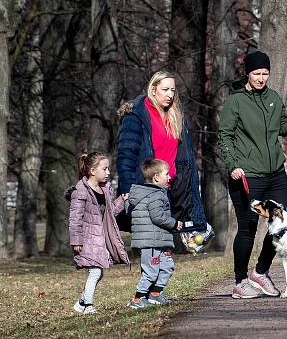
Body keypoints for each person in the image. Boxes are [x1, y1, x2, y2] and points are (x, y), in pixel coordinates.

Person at [218, 50, 287, 299]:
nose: (261, 78)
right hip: (246, 175)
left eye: (265, 74)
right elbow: (225, 136)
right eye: (257, 73)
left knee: (280, 227)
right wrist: (233, 165)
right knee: (247, 230)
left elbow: (282, 127)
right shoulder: (235, 101)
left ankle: (260, 272)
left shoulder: (273, 97)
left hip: (275, 174)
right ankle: (240, 282)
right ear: (247, 74)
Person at [116, 71, 206, 233]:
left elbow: (186, 158)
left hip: (171, 190)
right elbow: (126, 155)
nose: (170, 94)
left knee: (167, 243)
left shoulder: (176, 117)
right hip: (145, 189)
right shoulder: (136, 115)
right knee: (150, 243)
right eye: (165, 90)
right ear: (153, 90)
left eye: (172, 90)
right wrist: (126, 189)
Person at [69, 152, 129, 315]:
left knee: (99, 272)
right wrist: (76, 241)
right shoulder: (80, 191)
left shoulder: (106, 189)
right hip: (87, 239)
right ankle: (88, 305)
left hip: (100, 238)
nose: (108, 172)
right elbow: (75, 218)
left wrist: (122, 201)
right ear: (92, 171)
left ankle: (81, 302)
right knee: (95, 271)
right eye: (105, 169)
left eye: (108, 168)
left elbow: (111, 212)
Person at [127, 158, 183, 309]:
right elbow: (158, 216)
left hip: (158, 240)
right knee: (151, 271)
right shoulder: (155, 195)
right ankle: (138, 299)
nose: (170, 177)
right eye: (166, 174)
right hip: (150, 242)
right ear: (156, 177)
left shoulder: (156, 194)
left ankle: (155, 294)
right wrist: (174, 223)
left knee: (167, 266)